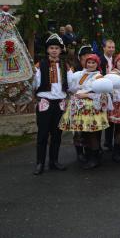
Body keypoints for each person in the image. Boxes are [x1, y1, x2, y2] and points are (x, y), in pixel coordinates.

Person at [59, 54, 110, 169]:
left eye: (93, 63)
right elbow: (73, 88)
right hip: (79, 108)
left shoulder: (98, 76)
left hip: (91, 108)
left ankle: (95, 159)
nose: (90, 65)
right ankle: (88, 156)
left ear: (97, 64)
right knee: (84, 133)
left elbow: (102, 94)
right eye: (89, 62)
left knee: (92, 134)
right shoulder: (81, 74)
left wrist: (86, 95)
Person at [33, 34, 71, 175]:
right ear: (47, 50)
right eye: (51, 48)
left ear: (61, 50)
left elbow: (71, 84)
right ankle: (40, 163)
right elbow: (34, 84)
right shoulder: (39, 65)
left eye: (57, 48)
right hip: (45, 103)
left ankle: (54, 161)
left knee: (57, 134)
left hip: (59, 103)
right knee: (42, 134)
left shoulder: (65, 66)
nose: (54, 50)